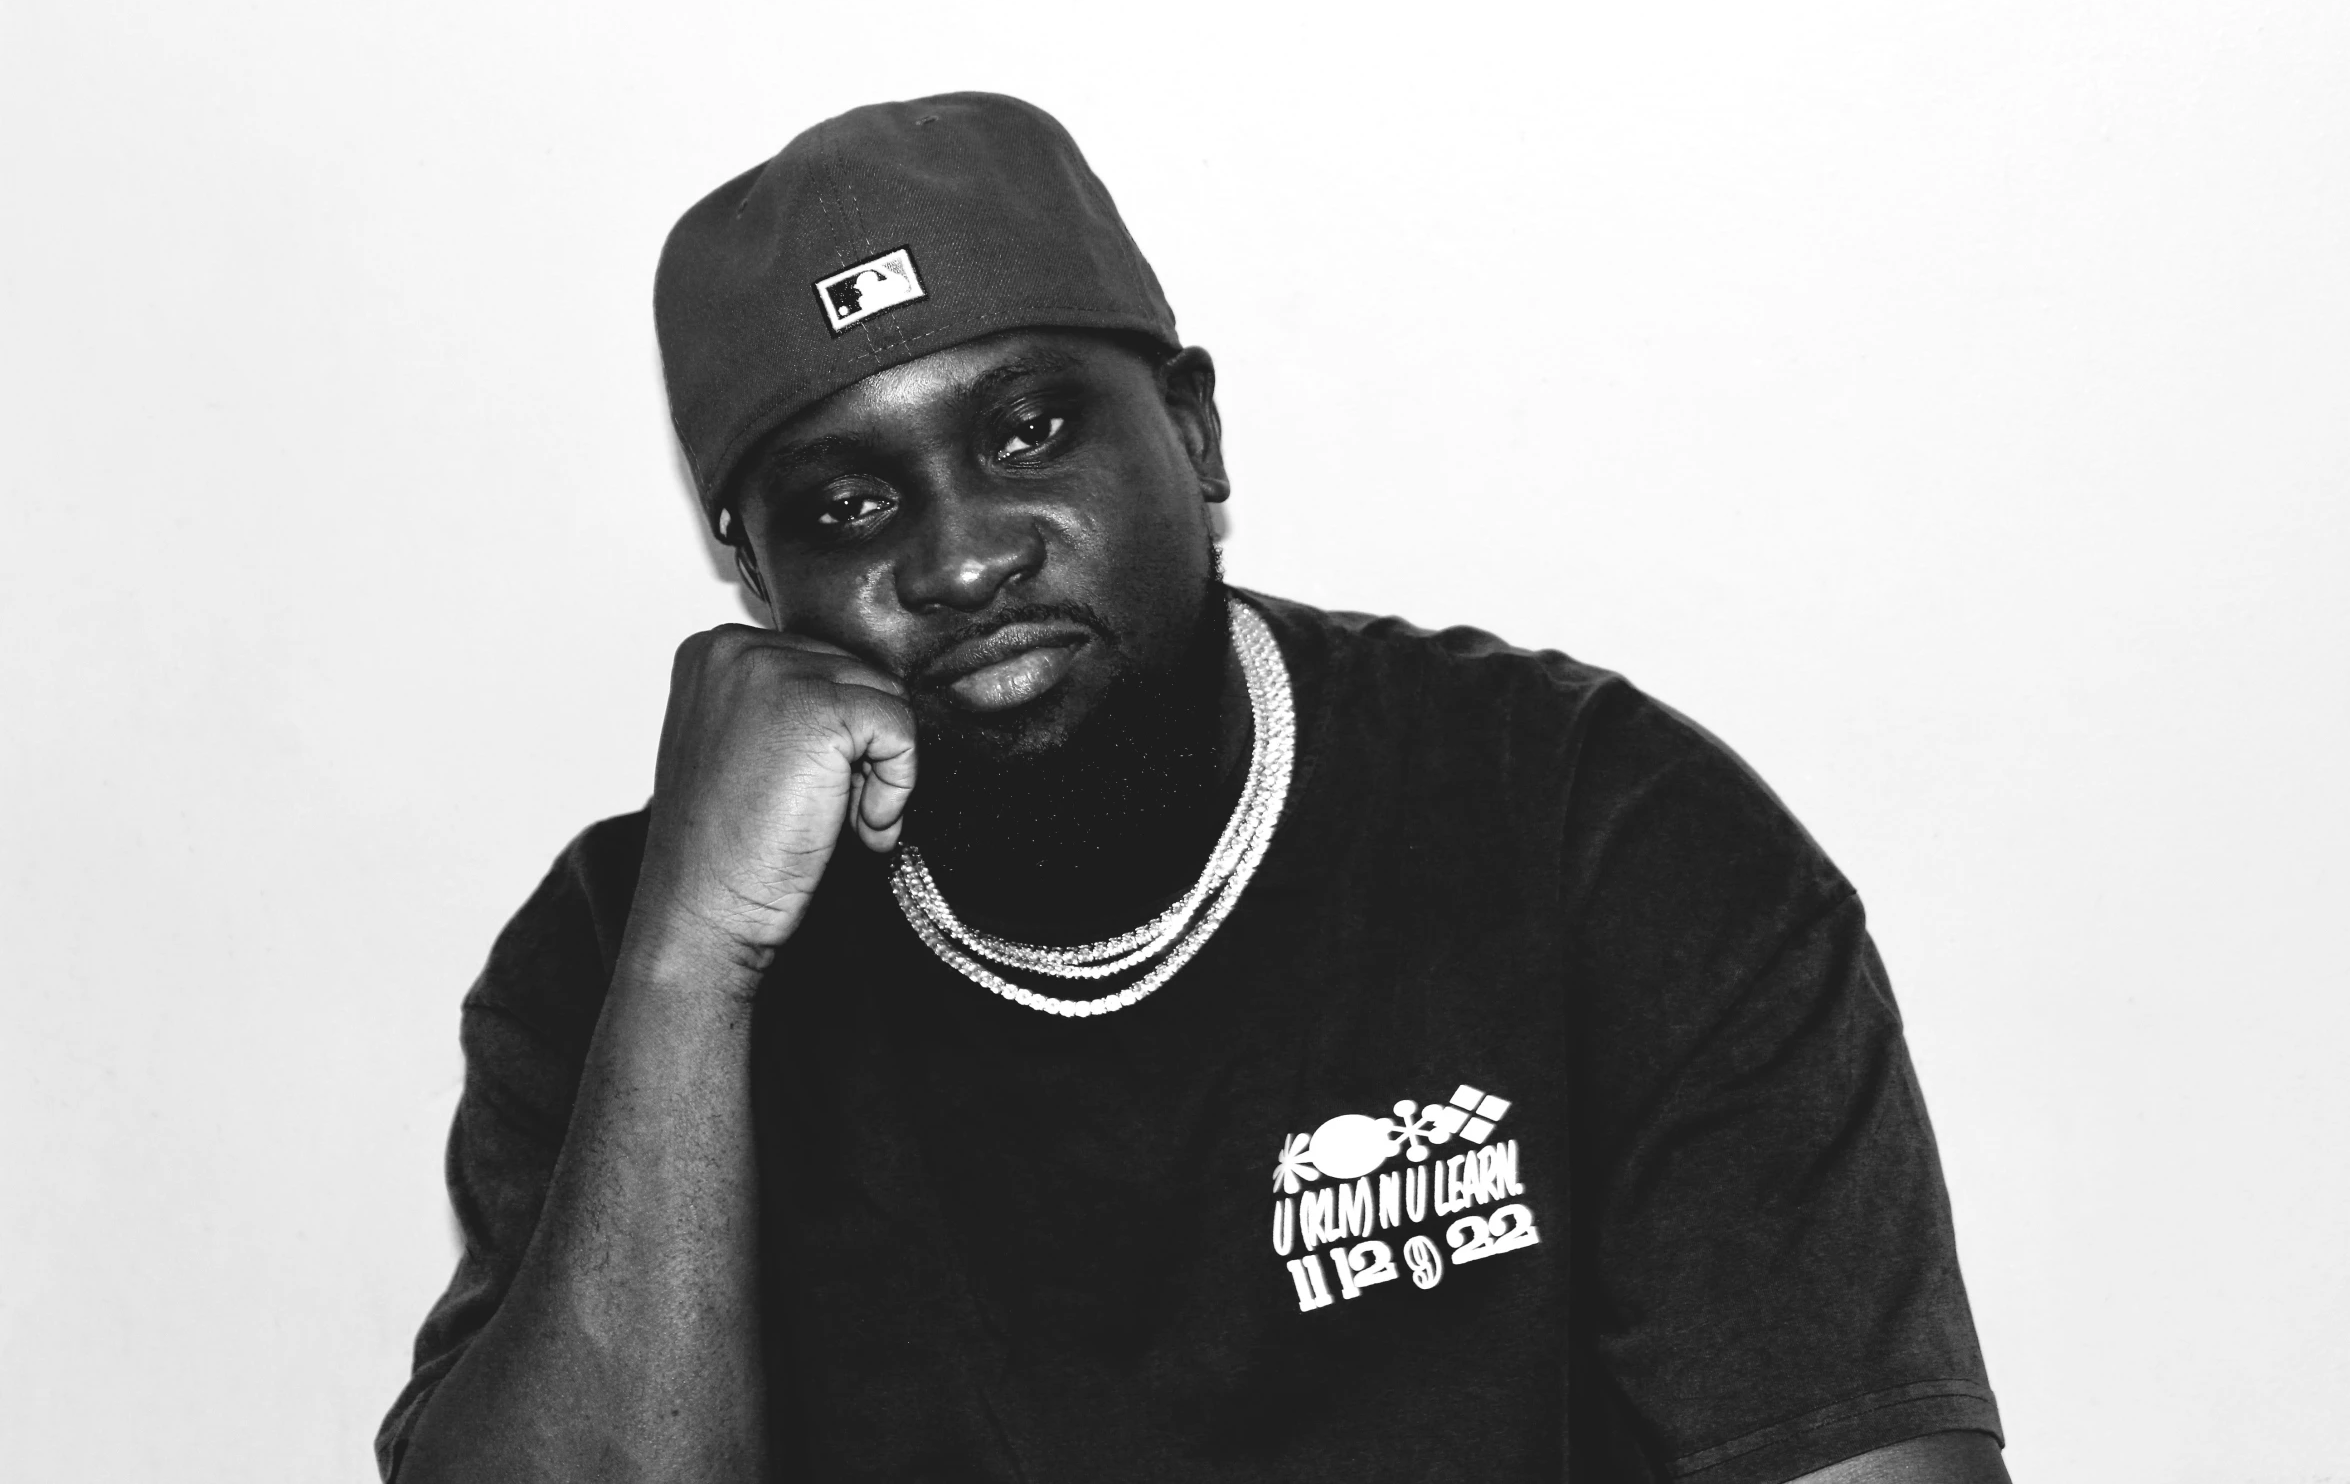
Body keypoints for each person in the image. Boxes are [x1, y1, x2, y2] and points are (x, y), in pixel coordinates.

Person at [379, 91, 2009, 1484]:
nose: (957, 555)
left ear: (1194, 434)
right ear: (752, 585)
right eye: (847, 504)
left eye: (1027, 431)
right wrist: (697, 961)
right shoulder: (625, 958)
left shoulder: (1602, 841)